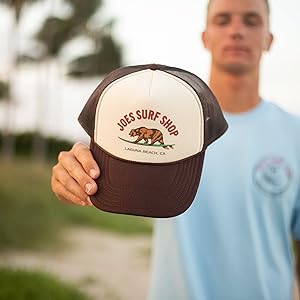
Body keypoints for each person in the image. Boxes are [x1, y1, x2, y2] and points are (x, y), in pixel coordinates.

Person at [51, 0, 300, 299]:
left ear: (269, 38)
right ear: (205, 37)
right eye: (223, 20)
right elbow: (97, 178)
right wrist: (74, 178)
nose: (236, 30)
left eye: (251, 20)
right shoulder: (165, 121)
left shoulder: (294, 134)